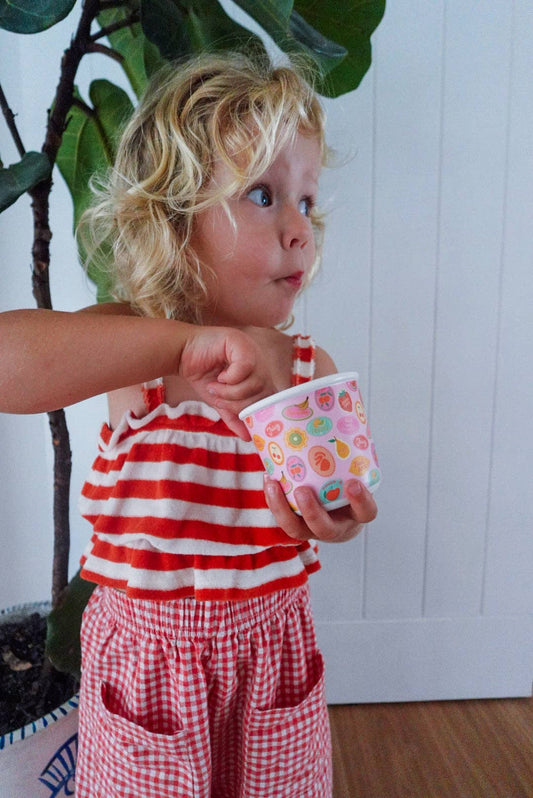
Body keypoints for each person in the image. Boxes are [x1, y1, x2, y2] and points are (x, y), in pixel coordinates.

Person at [0, 51, 377, 797]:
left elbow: (336, 503)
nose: (299, 229)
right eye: (263, 195)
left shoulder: (308, 367)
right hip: (147, 672)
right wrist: (182, 344)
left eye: (306, 200)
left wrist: (335, 518)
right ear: (170, 216)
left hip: (271, 659)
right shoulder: (134, 350)